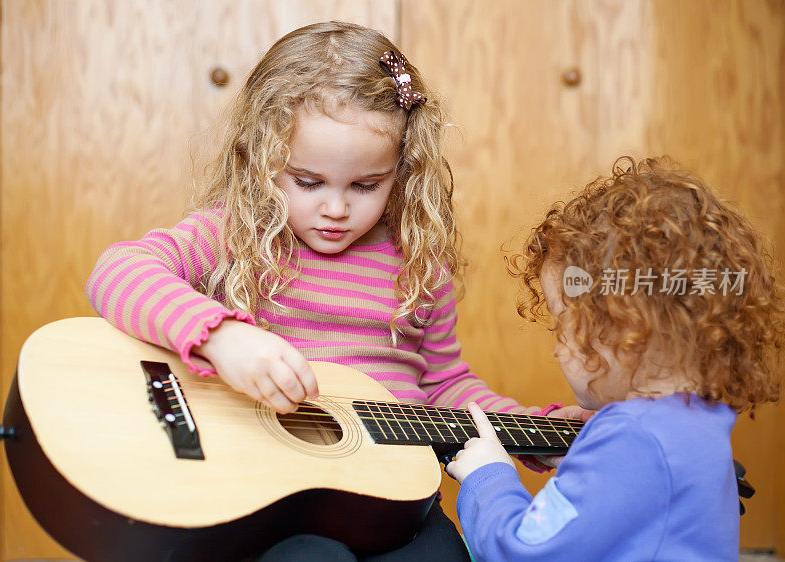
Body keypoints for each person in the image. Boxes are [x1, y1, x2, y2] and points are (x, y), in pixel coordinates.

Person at [86, 21, 579, 560]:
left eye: (366, 185)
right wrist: (221, 339)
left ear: (402, 171)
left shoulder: (419, 264)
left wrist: (534, 430)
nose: (337, 208)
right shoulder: (232, 235)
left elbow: (444, 384)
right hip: (273, 503)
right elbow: (119, 270)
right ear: (262, 159)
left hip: (396, 507)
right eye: (308, 181)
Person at [447, 157, 784, 561]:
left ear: (625, 327)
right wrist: (592, 440)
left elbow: (524, 551)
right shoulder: (698, 419)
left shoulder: (633, 440)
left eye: (561, 326)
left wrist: (488, 476)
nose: (556, 348)